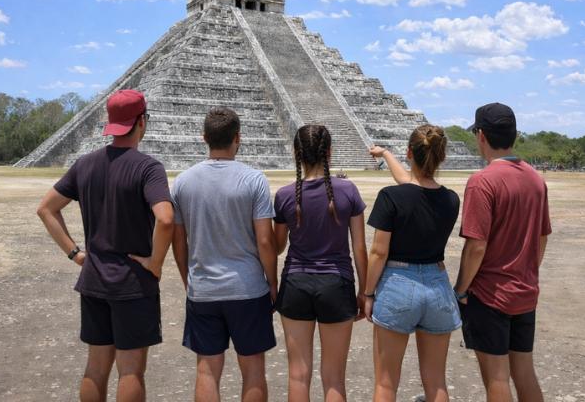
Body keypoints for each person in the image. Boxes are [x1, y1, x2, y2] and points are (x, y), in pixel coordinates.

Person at [36, 89, 175, 402]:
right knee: (131, 371)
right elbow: (165, 219)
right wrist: (155, 263)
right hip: (132, 284)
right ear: (141, 121)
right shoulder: (147, 167)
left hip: (94, 279)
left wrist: (75, 254)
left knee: (96, 368)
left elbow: (46, 208)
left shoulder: (85, 164)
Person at [171, 106, 277, 402]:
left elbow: (178, 243)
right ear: (238, 138)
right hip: (248, 288)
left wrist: (188, 279)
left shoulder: (183, 181)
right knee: (254, 369)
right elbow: (265, 241)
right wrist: (272, 282)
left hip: (203, 288)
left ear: (204, 137)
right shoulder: (254, 180)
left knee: (206, 370)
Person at [453, 103, 551, 402]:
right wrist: (527, 270)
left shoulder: (483, 181)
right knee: (524, 373)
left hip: (490, 293)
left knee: (496, 377)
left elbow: (476, 245)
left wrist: (460, 289)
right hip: (524, 289)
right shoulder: (535, 178)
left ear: (481, 135)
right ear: (514, 135)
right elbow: (542, 236)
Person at [364, 125, 461, 402]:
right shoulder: (451, 199)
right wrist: (385, 154)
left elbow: (378, 253)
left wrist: (369, 293)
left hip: (398, 284)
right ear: (441, 157)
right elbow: (413, 187)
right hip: (438, 286)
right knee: (436, 382)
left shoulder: (391, 197)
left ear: (410, 153)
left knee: (385, 383)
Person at [273, 124, 368, 402]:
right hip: (336, 283)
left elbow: (278, 246)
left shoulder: (285, 195)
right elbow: (359, 247)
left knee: (298, 375)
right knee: (334, 377)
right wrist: (365, 290)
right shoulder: (347, 190)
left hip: (296, 283)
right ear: (329, 152)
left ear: (295, 153)